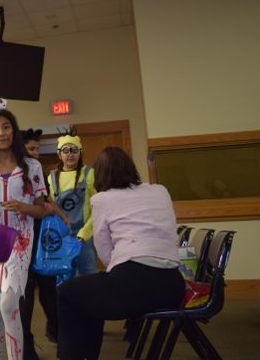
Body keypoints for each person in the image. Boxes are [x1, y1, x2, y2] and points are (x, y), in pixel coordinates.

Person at [56, 147, 185, 360]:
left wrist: (117, 267)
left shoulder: (102, 199)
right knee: (89, 294)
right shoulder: (160, 190)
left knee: (67, 293)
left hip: (132, 285)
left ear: (100, 174)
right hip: (172, 286)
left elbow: (104, 251)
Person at [0, 108, 55, 360]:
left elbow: (42, 210)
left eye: (5, 126)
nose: (1, 133)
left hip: (20, 241)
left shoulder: (31, 166)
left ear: (13, 130)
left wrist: (23, 207)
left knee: (8, 304)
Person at [18, 129, 61, 356]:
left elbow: (46, 202)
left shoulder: (38, 171)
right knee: (25, 296)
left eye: (37, 149)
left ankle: (56, 328)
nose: (35, 153)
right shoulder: (15, 171)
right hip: (22, 241)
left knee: (49, 289)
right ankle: (27, 346)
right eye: (31, 149)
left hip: (41, 239)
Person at [47, 133, 99, 276]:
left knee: (90, 279)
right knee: (64, 280)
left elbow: (98, 208)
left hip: (84, 237)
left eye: (74, 150)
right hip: (62, 238)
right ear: (59, 154)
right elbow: (50, 209)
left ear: (80, 153)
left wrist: (84, 234)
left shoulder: (89, 173)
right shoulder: (51, 178)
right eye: (66, 150)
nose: (70, 154)